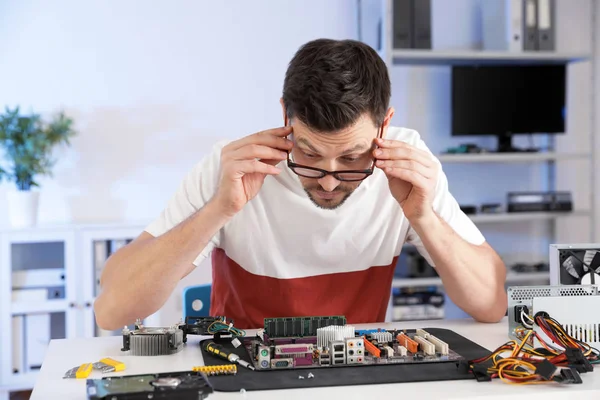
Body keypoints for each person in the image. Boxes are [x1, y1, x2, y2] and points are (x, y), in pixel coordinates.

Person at [94, 38, 507, 330]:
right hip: (243, 373)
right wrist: (219, 209)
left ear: (385, 124)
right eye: (308, 154)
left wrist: (423, 217)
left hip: (359, 373)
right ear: (285, 117)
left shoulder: (409, 162)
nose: (328, 181)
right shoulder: (232, 165)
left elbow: (492, 304)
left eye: (350, 158)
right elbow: (111, 311)